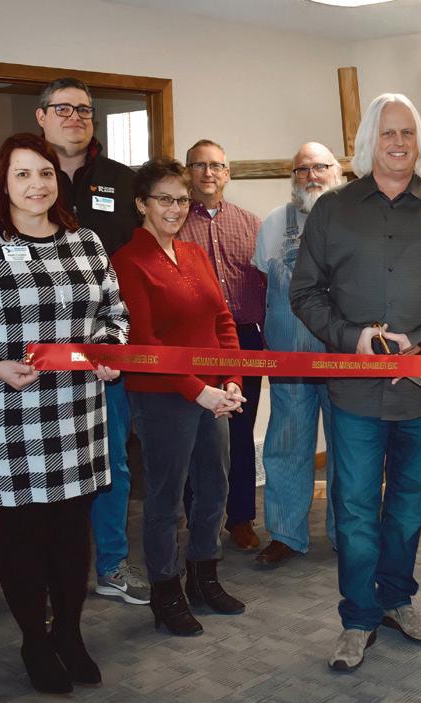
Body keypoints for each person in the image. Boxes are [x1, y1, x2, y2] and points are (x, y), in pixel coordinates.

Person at [0, 133, 127, 694]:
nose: (36, 184)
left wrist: (109, 352)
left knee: (71, 534)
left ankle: (69, 634)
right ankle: (35, 643)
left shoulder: (86, 242)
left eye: (44, 173)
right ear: (2, 182)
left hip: (77, 413)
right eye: (22, 174)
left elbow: (115, 315)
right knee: (24, 535)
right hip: (9, 415)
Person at [290, 93, 421, 672]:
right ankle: (358, 617)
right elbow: (305, 292)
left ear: (418, 141)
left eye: (407, 132)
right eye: (387, 132)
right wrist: (351, 337)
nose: (398, 142)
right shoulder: (333, 209)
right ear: (367, 141)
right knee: (353, 509)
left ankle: (396, 599)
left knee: (407, 505)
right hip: (354, 391)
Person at [0, 76, 146, 608]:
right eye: (63, 108)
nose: (76, 117)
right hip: (20, 392)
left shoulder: (118, 185)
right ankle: (39, 604)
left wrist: (112, 346)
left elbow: (121, 288)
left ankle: (109, 568)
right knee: (31, 520)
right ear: (42, 115)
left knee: (109, 474)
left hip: (91, 381)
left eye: (85, 109)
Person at [111, 158, 247, 637]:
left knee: (214, 489)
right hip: (163, 396)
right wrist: (198, 391)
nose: (174, 208)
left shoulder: (194, 253)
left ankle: (203, 576)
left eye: (182, 199)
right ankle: (166, 591)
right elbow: (144, 342)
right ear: (141, 204)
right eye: (164, 199)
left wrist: (232, 379)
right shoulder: (128, 261)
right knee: (167, 500)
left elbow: (222, 319)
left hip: (214, 394)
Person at [252, 142, 344, 566]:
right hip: (290, 360)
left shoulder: (356, 220)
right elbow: (264, 280)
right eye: (302, 169)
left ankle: (348, 533)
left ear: (337, 171)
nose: (311, 176)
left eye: (320, 167)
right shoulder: (273, 224)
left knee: (349, 447)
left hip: (344, 357)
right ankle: (285, 535)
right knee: (286, 444)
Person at [176, 139, 267, 551]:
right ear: (188, 172)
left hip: (244, 339)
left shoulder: (252, 224)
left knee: (240, 430)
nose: (208, 173)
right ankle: (198, 518)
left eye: (216, 166)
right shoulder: (176, 225)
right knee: (197, 432)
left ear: (227, 173)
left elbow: (266, 284)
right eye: (199, 165)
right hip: (194, 341)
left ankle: (241, 518)